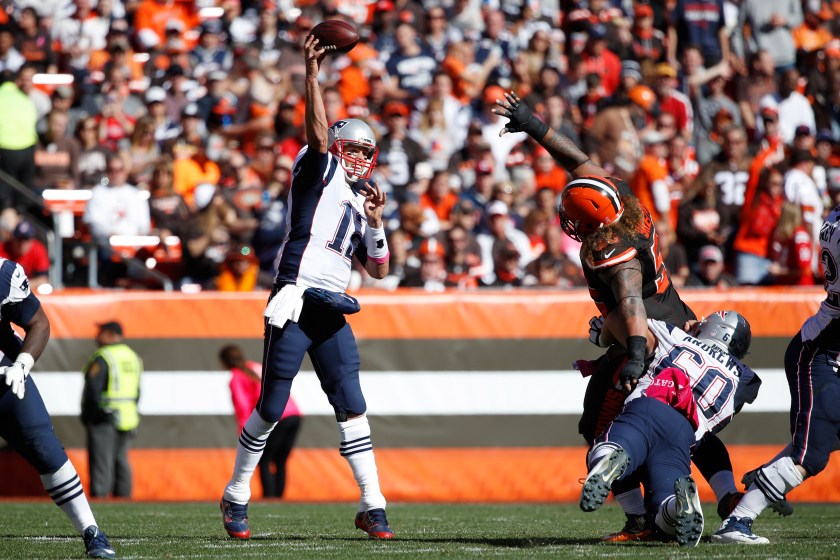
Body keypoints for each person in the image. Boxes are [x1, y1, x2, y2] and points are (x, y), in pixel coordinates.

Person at [492, 91, 742, 540]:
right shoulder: (623, 200)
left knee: (602, 424)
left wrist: (629, 354)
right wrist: (534, 125)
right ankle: (725, 495)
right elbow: (579, 159)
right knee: (685, 425)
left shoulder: (611, 251)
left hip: (648, 334)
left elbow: (629, 302)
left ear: (590, 225)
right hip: (680, 322)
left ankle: (640, 517)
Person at [220, 34, 393, 541]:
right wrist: (314, 76)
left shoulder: (362, 197)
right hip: (295, 295)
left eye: (368, 151)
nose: (361, 158)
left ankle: (373, 503)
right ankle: (235, 493)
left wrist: (377, 223)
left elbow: (379, 269)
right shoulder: (318, 168)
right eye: (354, 148)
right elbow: (318, 137)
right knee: (271, 406)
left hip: (331, 306)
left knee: (352, 402)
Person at [712, 203, 840, 544]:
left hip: (829, 347)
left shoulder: (834, 218)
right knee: (810, 456)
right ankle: (737, 521)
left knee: (827, 439)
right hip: (821, 355)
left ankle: (764, 476)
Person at [581, 310, 760, 548]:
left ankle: (608, 461)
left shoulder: (673, 335)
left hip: (649, 406)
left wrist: (603, 336)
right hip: (684, 433)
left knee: (610, 444)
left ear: (712, 329)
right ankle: (676, 506)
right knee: (663, 502)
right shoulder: (746, 378)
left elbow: (623, 318)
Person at [0, 257, 115, 558]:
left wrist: (22, 365)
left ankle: (91, 530)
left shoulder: (3, 273)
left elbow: (38, 322)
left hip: (3, 376)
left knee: (45, 447)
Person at [219, 345, 301, 498]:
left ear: (224, 362)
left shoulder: (237, 377)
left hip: (276, 416)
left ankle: (270, 498)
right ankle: (279, 499)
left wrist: (244, 432)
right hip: (293, 414)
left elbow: (242, 407)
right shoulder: (256, 366)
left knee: (264, 460)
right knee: (280, 460)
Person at [81, 321, 143, 499]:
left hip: (104, 416)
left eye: (100, 333)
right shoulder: (133, 357)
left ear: (109, 334)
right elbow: (138, 390)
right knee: (121, 460)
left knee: (101, 462)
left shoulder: (104, 356)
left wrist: (89, 416)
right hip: (129, 417)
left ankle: (100, 501)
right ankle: (124, 500)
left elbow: (93, 390)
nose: (97, 337)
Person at [0, 220, 49, 290]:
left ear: (32, 240)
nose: (22, 243)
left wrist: (20, 287)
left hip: (29, 291)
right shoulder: (2, 249)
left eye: (26, 239)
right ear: (13, 238)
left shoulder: (38, 249)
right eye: (19, 239)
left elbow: (43, 279)